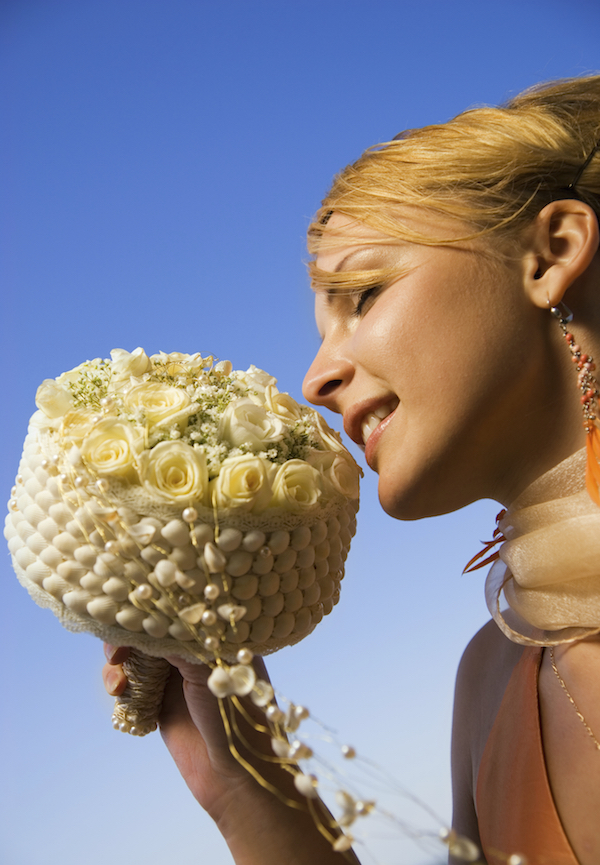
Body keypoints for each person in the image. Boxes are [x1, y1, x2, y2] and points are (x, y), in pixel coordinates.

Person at [104, 75, 600, 864]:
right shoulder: (491, 676)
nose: (315, 379)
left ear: (553, 252)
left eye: (363, 294)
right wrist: (250, 791)